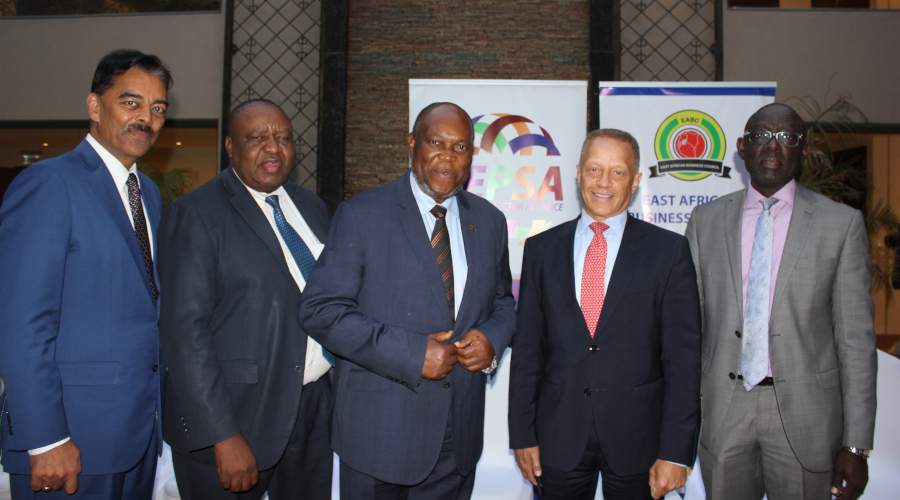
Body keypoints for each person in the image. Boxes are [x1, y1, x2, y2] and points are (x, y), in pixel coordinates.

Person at [299, 102, 516, 499]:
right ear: (412, 143)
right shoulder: (362, 214)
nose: (448, 157)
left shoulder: (489, 221)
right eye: (436, 142)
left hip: (457, 441)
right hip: (378, 438)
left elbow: (502, 301)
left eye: (461, 147)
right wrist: (412, 354)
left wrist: (491, 339)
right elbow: (321, 311)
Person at [0, 49, 171, 498]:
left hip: (137, 436)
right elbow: (21, 325)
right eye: (131, 103)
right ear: (94, 106)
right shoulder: (49, 185)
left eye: (158, 109)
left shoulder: (148, 193)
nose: (146, 119)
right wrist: (46, 438)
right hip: (68, 441)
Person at [685, 103, 877, 500]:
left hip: (807, 417)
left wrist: (856, 445)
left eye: (787, 137)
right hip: (725, 411)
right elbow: (689, 328)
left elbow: (856, 344)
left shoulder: (840, 225)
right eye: (761, 136)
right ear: (741, 147)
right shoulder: (705, 221)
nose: (773, 147)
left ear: (804, 150)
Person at [508, 129, 702, 500]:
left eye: (618, 172)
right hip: (558, 437)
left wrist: (676, 451)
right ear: (578, 173)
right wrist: (523, 434)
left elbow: (683, 358)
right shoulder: (541, 250)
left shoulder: (669, 251)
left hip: (639, 441)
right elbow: (528, 351)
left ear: (636, 181)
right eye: (595, 169)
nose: (604, 182)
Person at [157, 99, 333, 499]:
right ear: (231, 147)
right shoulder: (196, 214)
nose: (273, 148)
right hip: (237, 420)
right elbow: (186, 335)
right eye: (257, 138)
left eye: (284, 138)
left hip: (310, 417)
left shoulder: (311, 207)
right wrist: (223, 435)